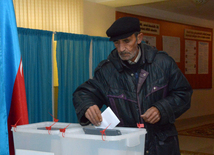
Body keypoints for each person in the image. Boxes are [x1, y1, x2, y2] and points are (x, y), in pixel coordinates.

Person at [73, 17, 192, 155]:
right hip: (126, 146)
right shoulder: (107, 71)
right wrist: (87, 105)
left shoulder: (163, 63)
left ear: (139, 38)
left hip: (161, 144)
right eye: (116, 43)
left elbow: (184, 93)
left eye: (127, 41)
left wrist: (162, 109)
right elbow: (83, 93)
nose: (122, 48)